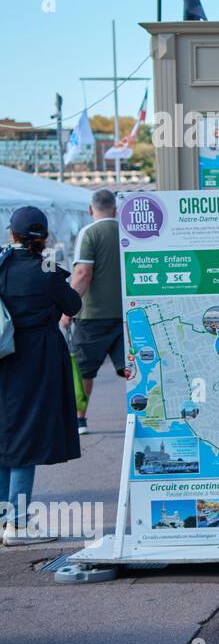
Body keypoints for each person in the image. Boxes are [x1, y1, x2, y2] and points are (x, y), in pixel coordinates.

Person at [0, 207, 82, 545]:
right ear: (43, 236)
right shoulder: (45, 267)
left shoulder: (1, 264)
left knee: (6, 435)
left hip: (4, 353)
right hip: (38, 357)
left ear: (12, 234)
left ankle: (5, 518)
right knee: (27, 438)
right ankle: (18, 524)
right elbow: (73, 304)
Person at [62, 189, 127, 436]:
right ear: (115, 208)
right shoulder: (126, 231)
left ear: (91, 209)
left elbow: (82, 274)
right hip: (125, 313)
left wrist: (67, 308)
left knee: (83, 371)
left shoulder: (89, 233)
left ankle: (80, 420)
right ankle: (139, 414)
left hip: (92, 316)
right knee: (132, 369)